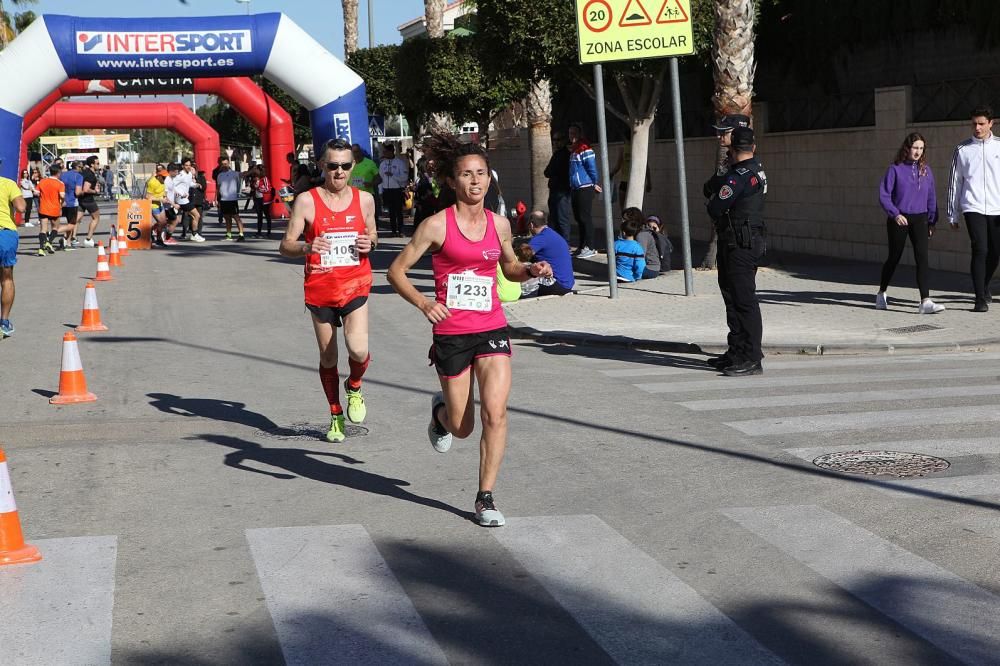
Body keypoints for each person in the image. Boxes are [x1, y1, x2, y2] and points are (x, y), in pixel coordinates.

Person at [386, 131, 554, 528]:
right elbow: (396, 271)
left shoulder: (499, 224)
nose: (475, 181)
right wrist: (425, 303)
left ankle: (485, 497)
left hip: (491, 326)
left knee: (496, 413)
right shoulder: (435, 226)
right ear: (452, 181)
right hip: (452, 333)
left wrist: (529, 270)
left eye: (481, 173)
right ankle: (440, 414)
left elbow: (508, 266)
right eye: (467, 174)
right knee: (463, 427)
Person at [279, 138, 377, 444]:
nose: (339, 172)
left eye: (345, 166)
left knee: (358, 349)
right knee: (329, 355)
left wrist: (370, 242)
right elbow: (285, 245)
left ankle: (356, 386)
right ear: (322, 165)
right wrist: (307, 246)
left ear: (352, 166)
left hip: (355, 282)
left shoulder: (365, 200)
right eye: (332, 166)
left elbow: (373, 234)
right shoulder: (307, 200)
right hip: (321, 287)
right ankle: (335, 414)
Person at [706, 126, 768, 377]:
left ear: (732, 149)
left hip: (739, 243)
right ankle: (737, 351)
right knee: (733, 298)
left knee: (744, 301)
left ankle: (752, 357)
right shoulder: (757, 169)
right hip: (743, 240)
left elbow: (715, 205)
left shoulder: (738, 176)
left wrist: (724, 172)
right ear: (753, 146)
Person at [877, 132, 944, 314]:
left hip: (920, 218)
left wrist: (932, 221)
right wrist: (895, 214)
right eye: (915, 148)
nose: (918, 152)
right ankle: (882, 292)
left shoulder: (926, 170)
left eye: (921, 149)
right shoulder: (895, 169)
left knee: (922, 258)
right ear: (907, 148)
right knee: (894, 257)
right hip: (900, 219)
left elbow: (931, 197)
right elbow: (884, 195)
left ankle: (925, 301)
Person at [947, 106, 1000, 312]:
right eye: (974, 124)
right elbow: (955, 183)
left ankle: (983, 285)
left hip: (997, 207)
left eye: (981, 123)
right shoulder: (962, 149)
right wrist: (953, 213)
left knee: (995, 252)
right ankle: (979, 299)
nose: (977, 128)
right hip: (973, 206)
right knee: (980, 249)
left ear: (990, 123)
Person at [568, 122, 601, 257]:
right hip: (575, 188)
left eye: (575, 133)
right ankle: (582, 246)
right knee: (579, 218)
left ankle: (590, 246)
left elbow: (591, 168)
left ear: (580, 134)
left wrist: (594, 183)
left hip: (585, 188)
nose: (572, 136)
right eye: (570, 133)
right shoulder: (574, 150)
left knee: (585, 217)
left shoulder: (585, 149)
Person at [527, 210, 575, 296]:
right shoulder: (552, 234)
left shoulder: (540, 238)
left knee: (520, 274)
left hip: (556, 285)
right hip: (567, 284)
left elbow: (521, 256)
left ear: (531, 225)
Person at [0, 175, 25, 337]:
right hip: (5, 234)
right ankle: (4, 322)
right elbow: (21, 207)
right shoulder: (8, 183)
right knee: (6, 278)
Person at [544, 130, 572, 241]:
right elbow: (547, 172)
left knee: (562, 218)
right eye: (554, 140)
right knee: (554, 218)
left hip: (562, 191)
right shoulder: (557, 154)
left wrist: (554, 172)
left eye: (558, 140)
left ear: (564, 140)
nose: (555, 142)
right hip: (555, 190)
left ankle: (565, 243)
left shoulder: (565, 155)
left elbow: (551, 171)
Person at [379, 143, 409, 237]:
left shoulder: (400, 163)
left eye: (386, 152)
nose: (384, 153)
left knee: (398, 211)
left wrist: (393, 175)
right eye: (384, 152)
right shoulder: (383, 163)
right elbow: (381, 178)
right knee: (391, 211)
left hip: (397, 190)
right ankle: (393, 230)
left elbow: (404, 177)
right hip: (387, 190)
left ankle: (401, 231)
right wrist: (381, 191)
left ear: (391, 152)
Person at [36, 164, 66, 255]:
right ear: (58, 173)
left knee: (43, 229)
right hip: (54, 208)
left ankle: (41, 249)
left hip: (43, 208)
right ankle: (49, 242)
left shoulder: (42, 181)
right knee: (55, 227)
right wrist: (62, 202)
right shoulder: (60, 183)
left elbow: (36, 193)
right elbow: (62, 195)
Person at [174, 157, 205, 243]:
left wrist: (196, 185)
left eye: (189, 165)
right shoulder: (180, 175)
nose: (188, 167)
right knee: (197, 215)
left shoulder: (189, 174)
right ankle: (194, 234)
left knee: (193, 216)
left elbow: (189, 183)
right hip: (181, 200)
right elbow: (171, 185)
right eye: (186, 165)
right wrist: (180, 193)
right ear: (183, 166)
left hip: (185, 200)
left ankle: (193, 234)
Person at [216, 158, 246, 242]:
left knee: (236, 217)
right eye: (223, 164)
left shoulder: (234, 173)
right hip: (223, 199)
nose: (224, 165)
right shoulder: (220, 175)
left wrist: (252, 170)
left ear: (229, 164)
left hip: (232, 199)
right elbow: (218, 188)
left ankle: (241, 234)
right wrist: (216, 199)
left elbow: (243, 174)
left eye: (226, 164)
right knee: (227, 218)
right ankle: (229, 234)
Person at [615, 210, 646, 282]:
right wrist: (638, 277)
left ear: (623, 232)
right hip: (629, 278)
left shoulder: (616, 244)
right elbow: (640, 265)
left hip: (615, 276)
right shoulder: (637, 247)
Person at [78, 156, 102, 246]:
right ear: (92, 164)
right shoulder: (90, 175)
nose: (98, 165)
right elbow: (86, 189)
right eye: (97, 163)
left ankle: (67, 238)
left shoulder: (84, 172)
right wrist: (95, 191)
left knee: (76, 220)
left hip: (81, 199)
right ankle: (88, 238)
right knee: (96, 218)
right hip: (88, 200)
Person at [60, 160, 83, 246]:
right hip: (72, 202)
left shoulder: (63, 175)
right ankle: (53, 233)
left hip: (62, 201)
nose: (82, 168)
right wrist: (82, 192)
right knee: (72, 223)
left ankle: (67, 241)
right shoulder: (78, 176)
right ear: (77, 167)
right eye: (81, 167)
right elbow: (77, 192)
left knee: (69, 223)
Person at [145, 167, 169, 246]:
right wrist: (160, 200)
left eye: (165, 177)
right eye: (163, 177)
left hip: (160, 204)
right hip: (153, 205)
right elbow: (148, 197)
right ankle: (158, 239)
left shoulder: (163, 181)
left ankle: (150, 231)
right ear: (158, 176)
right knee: (161, 222)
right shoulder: (152, 182)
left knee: (164, 222)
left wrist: (165, 197)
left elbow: (163, 191)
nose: (165, 178)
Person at [251, 165, 274, 237]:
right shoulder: (255, 179)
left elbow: (268, 189)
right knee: (259, 216)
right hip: (257, 199)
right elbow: (253, 187)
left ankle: (269, 231)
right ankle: (259, 232)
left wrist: (259, 188)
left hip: (265, 200)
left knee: (267, 215)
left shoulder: (265, 179)